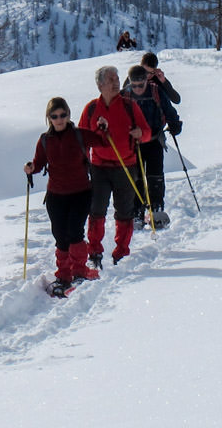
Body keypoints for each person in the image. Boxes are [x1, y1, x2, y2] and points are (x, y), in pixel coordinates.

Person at [24, 98, 110, 296]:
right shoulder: (45, 140)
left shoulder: (79, 135)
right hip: (55, 196)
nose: (59, 119)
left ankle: (79, 271)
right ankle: (64, 274)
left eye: (63, 115)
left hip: (80, 193)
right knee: (60, 236)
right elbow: (38, 163)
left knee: (74, 232)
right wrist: (30, 168)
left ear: (69, 115)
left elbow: (102, 141)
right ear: (49, 118)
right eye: (54, 116)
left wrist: (103, 128)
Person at [79, 65, 152, 267]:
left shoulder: (130, 106)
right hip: (99, 167)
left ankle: (122, 252)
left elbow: (146, 132)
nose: (117, 82)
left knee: (124, 211)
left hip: (126, 165)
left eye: (117, 78)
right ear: (100, 85)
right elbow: (82, 138)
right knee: (96, 211)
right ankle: (94, 252)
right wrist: (82, 163)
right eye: (112, 79)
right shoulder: (91, 108)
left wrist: (140, 134)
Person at [121, 65, 182, 228]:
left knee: (155, 176)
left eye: (141, 85)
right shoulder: (124, 95)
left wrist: (175, 123)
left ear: (146, 81)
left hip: (154, 139)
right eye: (134, 85)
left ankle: (157, 209)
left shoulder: (156, 91)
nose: (138, 89)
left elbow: (169, 110)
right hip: (133, 143)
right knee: (136, 178)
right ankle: (136, 212)